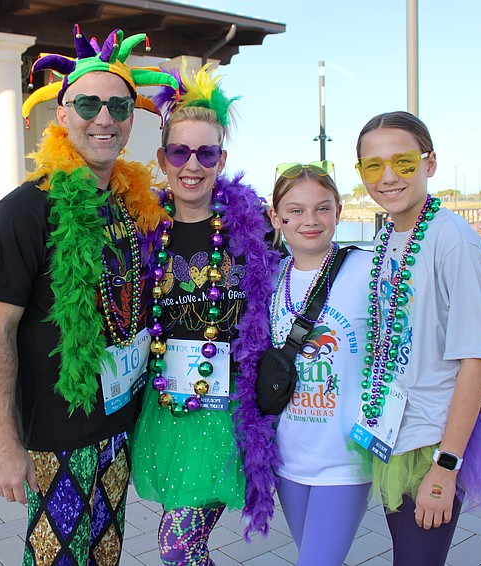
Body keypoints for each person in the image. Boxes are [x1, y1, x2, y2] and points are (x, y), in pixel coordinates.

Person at [0, 25, 178, 566]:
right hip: (54, 436)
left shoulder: (133, 204)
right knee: (56, 559)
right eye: (88, 103)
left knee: (105, 554)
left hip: (118, 423)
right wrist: (4, 445)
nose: (104, 117)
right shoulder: (23, 210)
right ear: (62, 115)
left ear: (133, 117)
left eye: (118, 104)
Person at [353, 111, 481, 565]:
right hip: (394, 433)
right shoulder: (390, 236)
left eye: (403, 162)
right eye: (372, 165)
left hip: (433, 443)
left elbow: (475, 359)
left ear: (430, 163)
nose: (387, 177)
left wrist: (445, 468)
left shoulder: (453, 241)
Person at [129, 66, 281, 565]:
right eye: (180, 151)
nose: (192, 164)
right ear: (162, 158)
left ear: (222, 160)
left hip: (231, 412)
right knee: (182, 546)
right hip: (168, 406)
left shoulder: (254, 226)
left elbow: (309, 281)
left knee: (177, 547)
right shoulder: (144, 226)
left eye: (206, 152)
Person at [267, 162, 374, 565]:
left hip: (344, 459)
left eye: (322, 208)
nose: (309, 220)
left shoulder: (367, 268)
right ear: (276, 218)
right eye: (294, 211)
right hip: (287, 458)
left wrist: (479, 371)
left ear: (339, 212)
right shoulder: (271, 275)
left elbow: (421, 325)